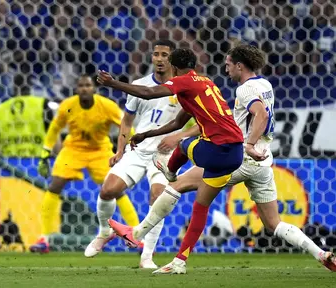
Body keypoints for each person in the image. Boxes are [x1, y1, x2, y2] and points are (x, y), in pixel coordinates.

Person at [109, 44, 336, 274]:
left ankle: (139, 233)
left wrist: (248, 144)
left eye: (229, 65)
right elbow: (189, 121)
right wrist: (148, 134)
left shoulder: (244, 90)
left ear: (240, 65)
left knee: (175, 185)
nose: (226, 69)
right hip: (263, 161)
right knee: (273, 224)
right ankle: (321, 254)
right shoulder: (264, 84)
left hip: (240, 155)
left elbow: (261, 114)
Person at [97, 47, 244, 265]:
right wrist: (147, 133)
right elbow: (177, 123)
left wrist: (113, 84)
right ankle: (177, 260)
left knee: (183, 145)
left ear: (174, 67)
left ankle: (170, 171)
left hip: (218, 149)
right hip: (235, 151)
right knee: (198, 206)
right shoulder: (204, 82)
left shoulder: (184, 81)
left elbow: (148, 92)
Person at [86, 40, 190, 269]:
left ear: (172, 59)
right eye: (156, 54)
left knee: (158, 197)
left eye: (164, 54)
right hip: (138, 149)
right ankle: (105, 231)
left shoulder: (182, 88)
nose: (160, 58)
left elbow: (189, 122)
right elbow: (127, 121)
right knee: (108, 190)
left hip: (165, 154)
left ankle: (147, 257)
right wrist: (119, 150)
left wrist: (179, 138)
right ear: (151, 58)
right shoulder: (139, 85)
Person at [29, 75, 139, 253]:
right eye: (81, 86)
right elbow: (55, 129)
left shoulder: (107, 106)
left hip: (100, 150)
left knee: (115, 189)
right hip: (74, 149)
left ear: (94, 88)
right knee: (55, 185)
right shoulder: (67, 105)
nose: (84, 89)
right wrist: (45, 153)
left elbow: (126, 125)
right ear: (76, 89)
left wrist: (128, 148)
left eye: (88, 85)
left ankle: (137, 235)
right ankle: (45, 238)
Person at [0, 74, 57, 157]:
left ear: (13, 87)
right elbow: (55, 137)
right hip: (37, 162)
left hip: (9, 164)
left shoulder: (1, 108)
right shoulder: (42, 104)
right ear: (30, 87)